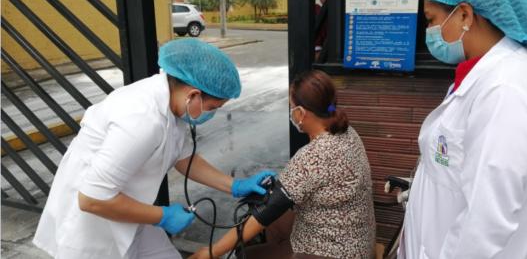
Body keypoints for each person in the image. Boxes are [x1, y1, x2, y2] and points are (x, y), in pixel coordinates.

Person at [33, 39, 275, 259]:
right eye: (213, 107)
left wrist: (233, 185)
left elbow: (184, 157)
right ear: (193, 94)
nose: (214, 113)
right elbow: (92, 199)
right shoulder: (141, 119)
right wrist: (163, 217)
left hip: (130, 207)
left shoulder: (173, 101)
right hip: (94, 224)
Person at [399, 0, 527, 259]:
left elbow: (486, 223)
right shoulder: (482, 77)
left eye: (430, 20)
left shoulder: (506, 92)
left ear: (465, 15)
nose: (429, 30)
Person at [190, 70, 377, 259]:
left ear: (301, 113)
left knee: (249, 252)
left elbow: (267, 212)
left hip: (332, 252)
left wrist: (213, 251)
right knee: (272, 223)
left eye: (292, 107)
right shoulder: (347, 132)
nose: (291, 113)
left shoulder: (312, 157)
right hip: (358, 240)